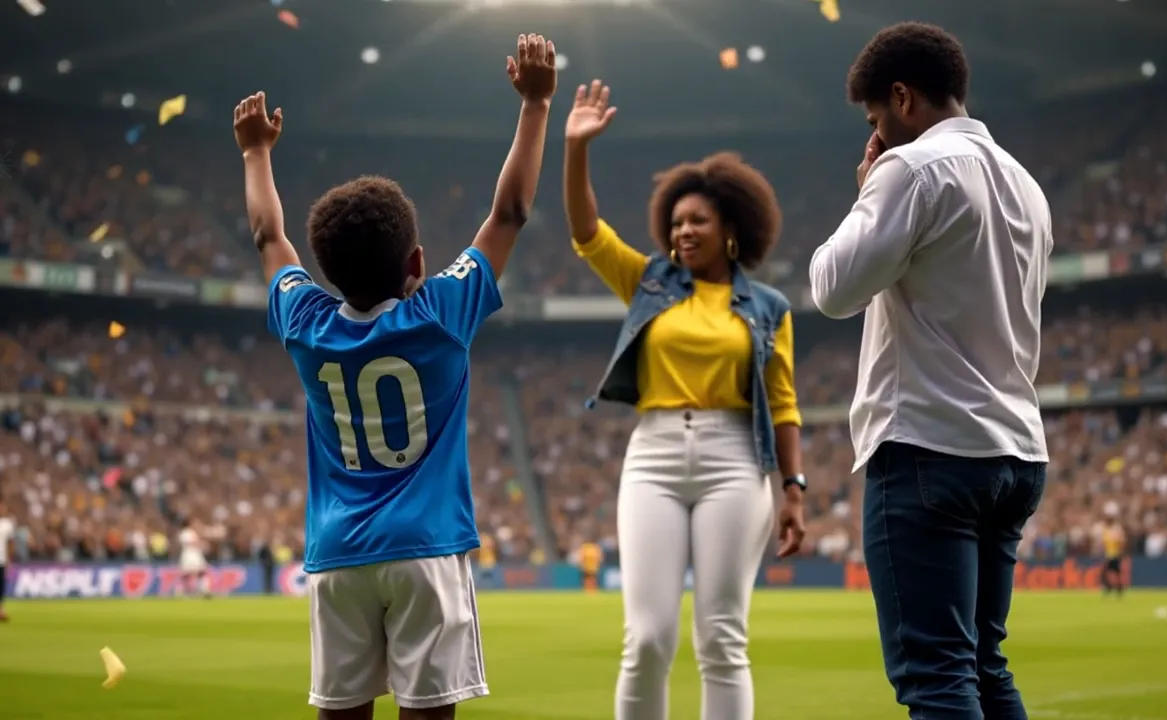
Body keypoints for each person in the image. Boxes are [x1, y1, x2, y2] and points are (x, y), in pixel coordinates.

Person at [233, 33, 557, 720]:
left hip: (336, 554)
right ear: (416, 263)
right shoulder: (440, 316)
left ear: (324, 272)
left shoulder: (306, 324)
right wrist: (536, 105)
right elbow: (510, 213)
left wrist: (255, 153)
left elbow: (269, 238)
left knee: (339, 713)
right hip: (424, 549)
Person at [808, 22, 1052, 720]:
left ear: (903, 97)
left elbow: (832, 287)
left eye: (877, 118)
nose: (877, 134)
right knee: (982, 664)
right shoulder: (1026, 185)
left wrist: (866, 193)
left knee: (936, 679)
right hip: (1015, 449)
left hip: (929, 448)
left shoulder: (910, 169)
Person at [563, 79, 808, 720]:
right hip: (655, 454)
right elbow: (587, 233)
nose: (685, 231)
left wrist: (794, 491)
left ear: (732, 227)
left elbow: (782, 404)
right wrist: (576, 149)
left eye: (698, 219)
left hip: (735, 459)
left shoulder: (769, 308)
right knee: (646, 638)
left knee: (721, 638)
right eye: (676, 222)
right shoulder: (648, 281)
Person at [177, 520, 211, 598]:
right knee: (187, 574)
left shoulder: (191, 532)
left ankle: (203, 591)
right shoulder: (186, 533)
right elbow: (192, 542)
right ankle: (182, 591)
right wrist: (202, 544)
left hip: (195, 554)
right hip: (189, 555)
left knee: (201, 573)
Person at [1101, 514, 1126, 598]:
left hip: (1114, 555)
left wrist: (1120, 552)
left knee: (1111, 572)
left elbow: (1120, 542)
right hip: (1109, 555)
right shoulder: (1106, 530)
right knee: (1112, 572)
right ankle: (1116, 588)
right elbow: (1105, 543)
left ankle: (1113, 588)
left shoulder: (1115, 530)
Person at [0, 503, 13, 622]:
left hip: (2, 560)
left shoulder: (7, 525)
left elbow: (10, 544)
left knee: (1, 586)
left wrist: (9, 560)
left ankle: (1, 610)